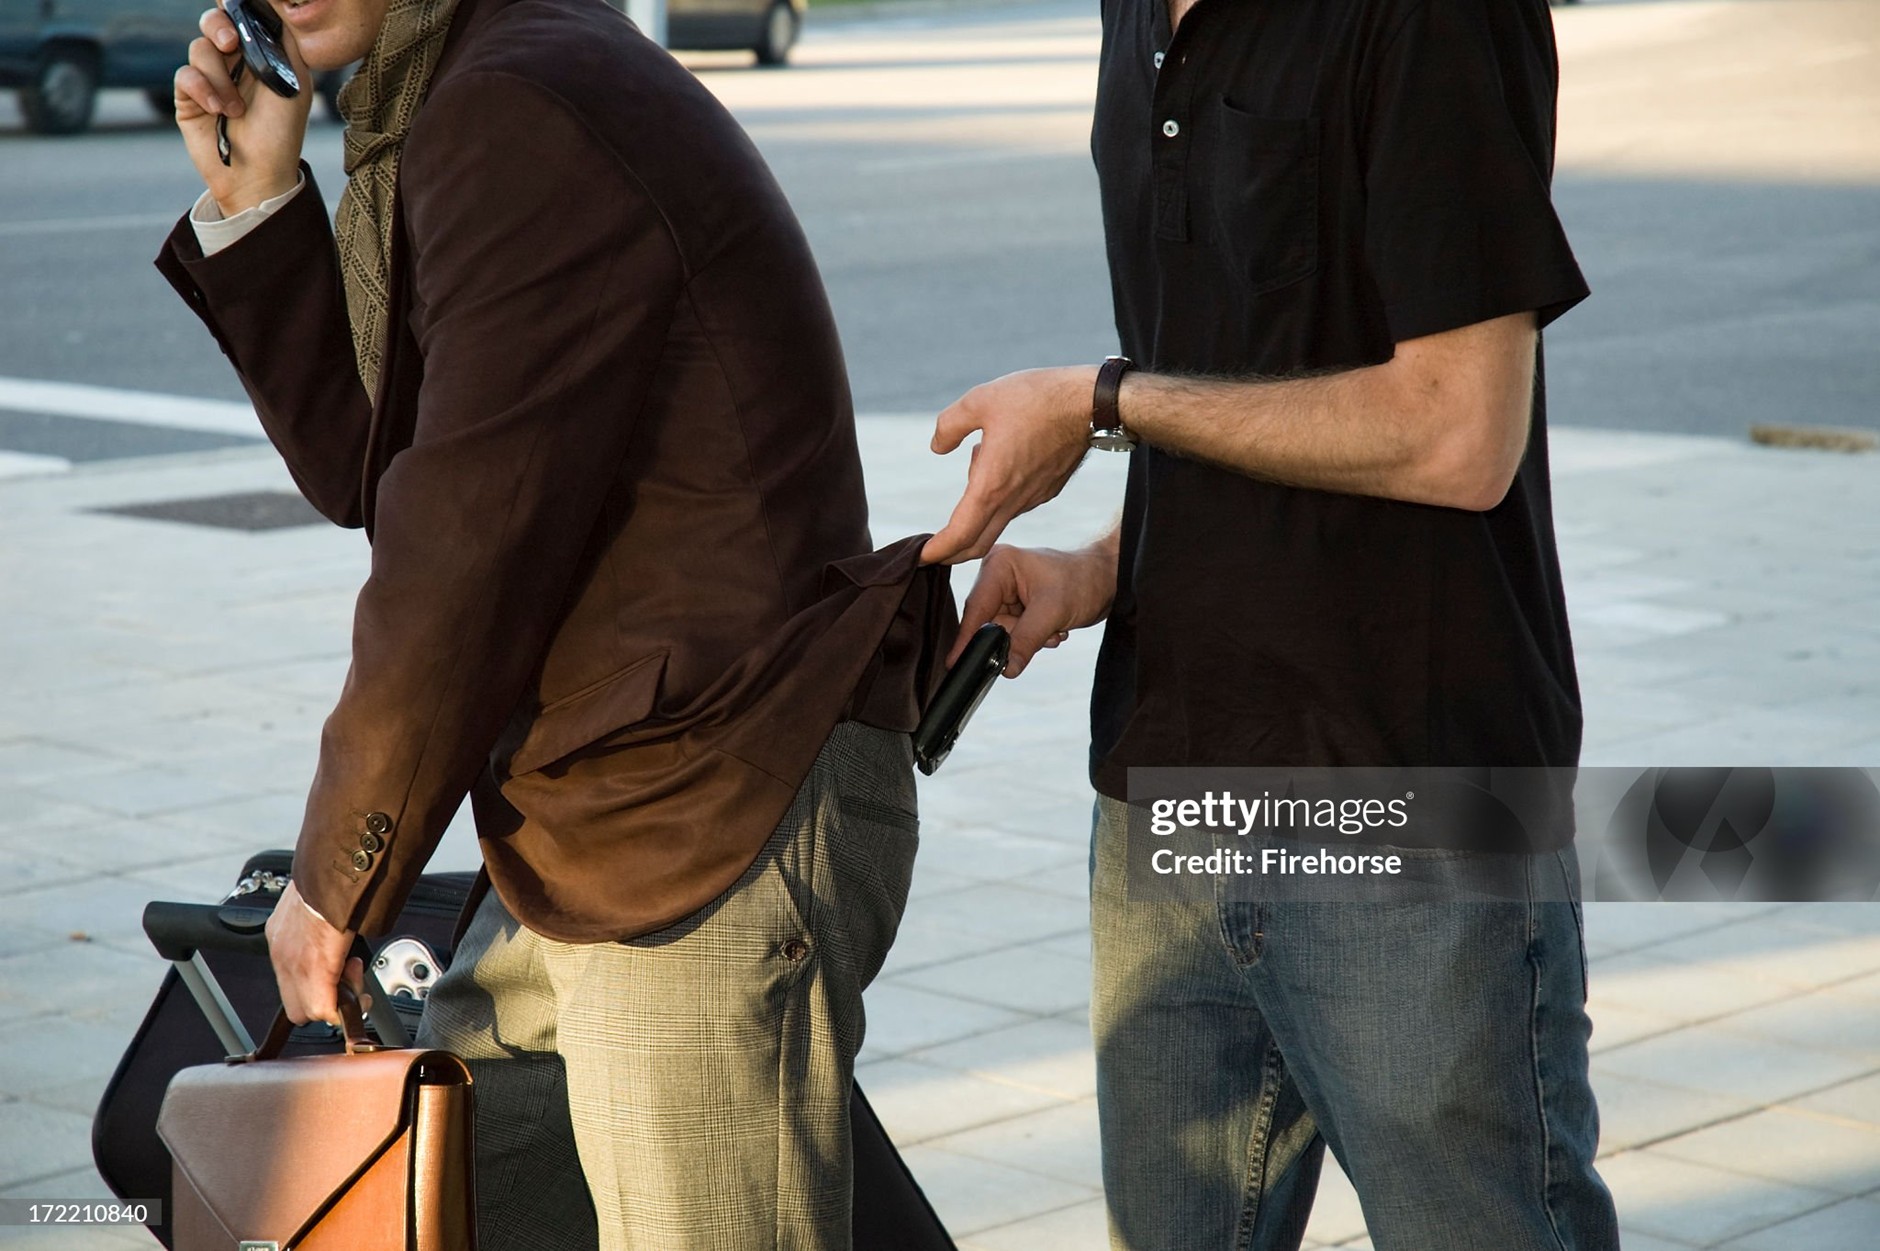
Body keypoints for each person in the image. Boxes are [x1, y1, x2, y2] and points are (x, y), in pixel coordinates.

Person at [158, 0, 951, 1246]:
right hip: (606, 815)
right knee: (453, 1197)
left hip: (709, 804)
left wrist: (335, 880)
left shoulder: (517, 106)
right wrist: (261, 196)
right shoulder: (452, 95)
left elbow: (462, 543)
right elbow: (379, 466)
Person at [920, 0, 1622, 1247]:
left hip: (1406, 801)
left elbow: (1460, 433)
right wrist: (1105, 565)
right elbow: (1243, 362)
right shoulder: (1135, 14)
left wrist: (1102, 401)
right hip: (1168, 786)